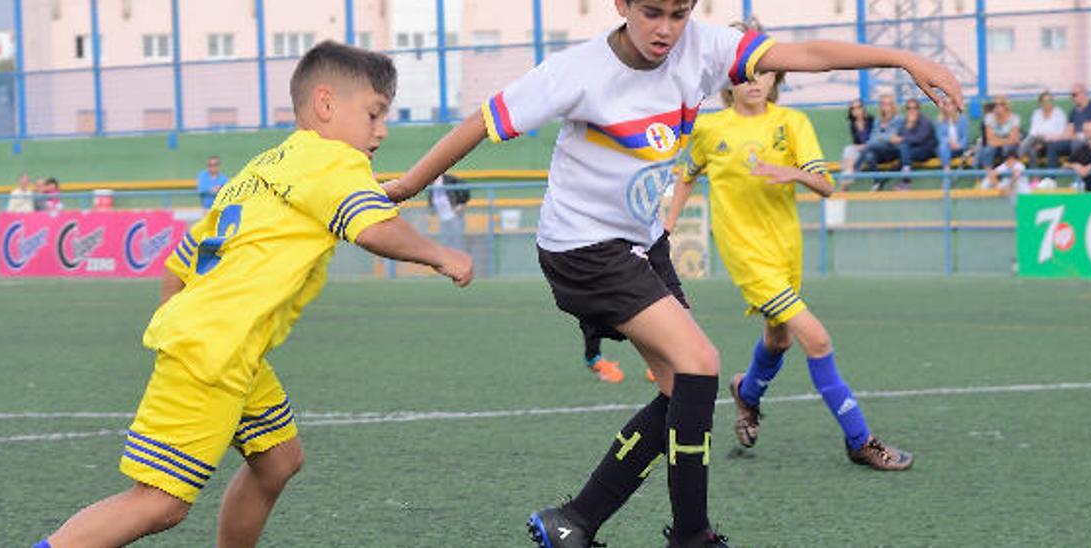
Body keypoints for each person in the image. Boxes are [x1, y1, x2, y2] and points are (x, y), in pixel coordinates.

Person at [380, 2, 961, 546]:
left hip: (642, 241)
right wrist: (409, 184)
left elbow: (803, 55)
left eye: (679, 12)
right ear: (621, 6)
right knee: (700, 365)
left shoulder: (705, 47)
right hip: (582, 249)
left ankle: (575, 521)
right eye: (650, 11)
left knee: (680, 390)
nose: (664, 28)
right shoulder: (576, 72)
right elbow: (482, 122)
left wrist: (904, 57)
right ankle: (691, 536)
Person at [32, 42, 473, 548]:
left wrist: (186, 326)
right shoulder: (333, 160)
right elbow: (374, 229)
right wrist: (440, 254)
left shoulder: (264, 168)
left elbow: (179, 262)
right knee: (160, 502)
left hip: (228, 347)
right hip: (217, 351)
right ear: (326, 105)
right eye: (374, 113)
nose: (382, 130)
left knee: (278, 461)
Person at [667, 63, 913, 478]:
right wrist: (667, 225)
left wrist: (790, 172)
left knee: (778, 341)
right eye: (743, 75)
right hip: (746, 256)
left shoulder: (793, 122)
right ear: (728, 83)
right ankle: (861, 441)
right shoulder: (710, 130)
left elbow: (826, 185)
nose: (753, 82)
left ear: (776, 79)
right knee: (816, 339)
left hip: (785, 251)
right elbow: (686, 176)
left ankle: (746, 393)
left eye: (763, 73)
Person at [1045, 85, 1091, 168]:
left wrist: (1076, 136)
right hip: (1075, 141)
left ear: (1084, 94)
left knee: (1077, 143)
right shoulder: (1073, 112)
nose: (1072, 98)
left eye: (1074, 95)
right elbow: (1068, 131)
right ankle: (1051, 178)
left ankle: (1078, 178)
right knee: (1053, 146)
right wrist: (1056, 137)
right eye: (1071, 95)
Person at [853, 93, 903, 190]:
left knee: (869, 145)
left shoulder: (898, 118)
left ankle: (854, 171)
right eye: (883, 104)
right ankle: (878, 181)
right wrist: (884, 137)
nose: (885, 106)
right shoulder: (878, 120)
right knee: (869, 155)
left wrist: (881, 137)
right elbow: (873, 137)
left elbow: (893, 138)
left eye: (888, 104)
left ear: (893, 105)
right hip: (879, 151)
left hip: (893, 150)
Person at [977, 96, 1021, 189]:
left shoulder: (1014, 118)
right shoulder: (989, 117)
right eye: (995, 105)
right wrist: (1005, 140)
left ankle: (1007, 178)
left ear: (1006, 106)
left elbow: (1014, 139)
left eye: (1000, 104)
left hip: (1008, 146)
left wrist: (998, 141)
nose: (997, 107)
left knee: (1007, 149)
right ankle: (989, 178)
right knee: (987, 150)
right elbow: (989, 139)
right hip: (995, 145)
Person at [1018, 91, 1068, 168]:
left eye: (1050, 100)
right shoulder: (1036, 113)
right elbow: (1033, 131)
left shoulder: (1059, 113)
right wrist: (1039, 142)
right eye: (1045, 101)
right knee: (1032, 149)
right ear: (1040, 103)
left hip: (1053, 141)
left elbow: (1061, 133)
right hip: (1037, 139)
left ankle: (1016, 158)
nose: (1048, 103)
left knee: (1031, 142)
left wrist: (1045, 138)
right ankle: (1034, 176)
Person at [427, 172, 470, 250]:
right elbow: (431, 197)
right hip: (442, 217)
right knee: (445, 242)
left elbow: (464, 185)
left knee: (457, 241)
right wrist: (431, 208)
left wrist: (462, 202)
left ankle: (458, 260)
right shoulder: (430, 181)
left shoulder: (448, 179)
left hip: (454, 215)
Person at [838, 98, 874, 184]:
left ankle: (844, 185)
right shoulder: (853, 124)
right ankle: (848, 174)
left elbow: (875, 138)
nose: (856, 110)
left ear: (863, 108)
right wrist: (859, 147)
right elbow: (856, 142)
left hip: (871, 150)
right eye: (853, 108)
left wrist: (864, 146)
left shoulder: (871, 120)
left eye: (859, 107)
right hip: (860, 150)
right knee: (848, 153)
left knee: (849, 151)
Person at [935, 99, 969, 170]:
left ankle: (946, 175)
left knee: (943, 147)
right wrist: (949, 142)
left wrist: (959, 145)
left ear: (955, 106)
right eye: (946, 104)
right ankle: (947, 170)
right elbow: (940, 137)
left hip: (959, 149)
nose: (949, 107)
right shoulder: (940, 120)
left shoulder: (962, 119)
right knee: (943, 145)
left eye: (951, 104)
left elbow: (965, 137)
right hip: (946, 148)